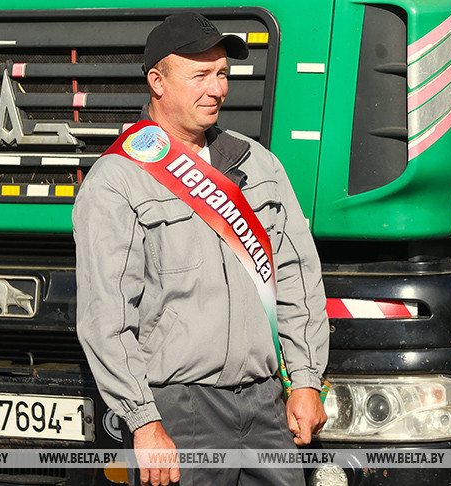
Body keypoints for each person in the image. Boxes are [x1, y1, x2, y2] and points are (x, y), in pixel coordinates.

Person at [73, 12, 329, 486]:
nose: (217, 89)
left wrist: (307, 380)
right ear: (157, 82)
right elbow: (105, 316)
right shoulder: (118, 179)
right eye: (200, 76)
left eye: (222, 74)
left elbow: (298, 276)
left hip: (267, 406)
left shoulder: (258, 165)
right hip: (180, 413)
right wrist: (144, 422)